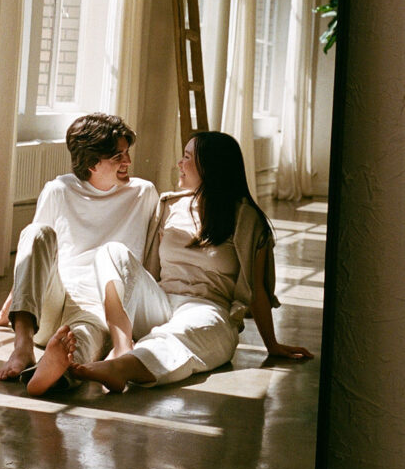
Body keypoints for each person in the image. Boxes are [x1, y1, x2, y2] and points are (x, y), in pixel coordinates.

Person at [64, 131, 313, 393]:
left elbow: (257, 291)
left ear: (210, 165)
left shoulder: (246, 218)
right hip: (161, 301)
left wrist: (272, 345)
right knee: (111, 251)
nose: (179, 164)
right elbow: (148, 270)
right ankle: (122, 346)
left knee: (179, 335)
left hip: (208, 309)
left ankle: (121, 368)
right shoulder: (169, 205)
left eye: (187, 157)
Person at [0, 113, 159, 395]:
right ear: (93, 162)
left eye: (127, 153)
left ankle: (54, 372)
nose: (128, 162)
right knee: (36, 232)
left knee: (81, 341)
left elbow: (151, 263)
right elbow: (32, 256)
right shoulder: (59, 190)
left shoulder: (143, 194)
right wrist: (6, 311)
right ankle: (23, 348)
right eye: (118, 156)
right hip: (53, 302)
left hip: (99, 308)